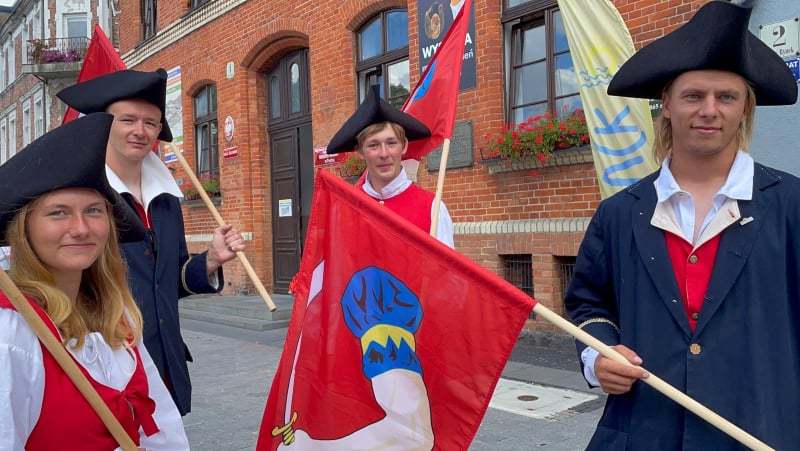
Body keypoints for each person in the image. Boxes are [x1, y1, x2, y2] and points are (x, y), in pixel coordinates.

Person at [565, 2, 799, 450]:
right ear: (667, 104)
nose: (709, 110)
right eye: (693, 96)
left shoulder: (791, 205)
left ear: (745, 109)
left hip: (761, 430)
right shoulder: (619, 214)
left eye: (726, 97)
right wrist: (598, 355)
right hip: (644, 432)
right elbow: (590, 305)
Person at [57, 69, 246, 415]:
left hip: (165, 369)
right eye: (128, 120)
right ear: (105, 125)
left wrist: (210, 260)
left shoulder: (166, 200)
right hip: (107, 372)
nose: (140, 131)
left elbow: (170, 283)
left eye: (150, 123)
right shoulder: (84, 201)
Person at [0, 113, 189, 450]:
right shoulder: (12, 333)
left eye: (93, 210)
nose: (81, 228)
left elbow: (165, 427)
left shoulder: (118, 317)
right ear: (25, 229)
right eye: (58, 212)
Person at [326, 85, 454, 247]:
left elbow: (446, 265)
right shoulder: (343, 209)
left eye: (391, 143)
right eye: (373, 145)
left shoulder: (433, 209)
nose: (384, 153)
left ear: (404, 146)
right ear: (360, 151)